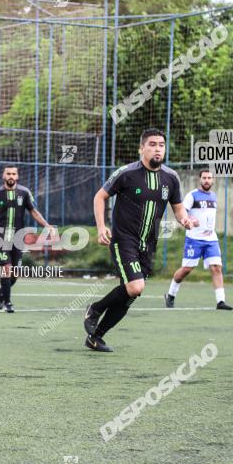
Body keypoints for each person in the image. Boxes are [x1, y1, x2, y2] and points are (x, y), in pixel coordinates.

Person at [84, 128, 194, 352]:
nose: (157, 148)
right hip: (124, 239)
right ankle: (94, 309)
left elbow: (179, 209)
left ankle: (96, 337)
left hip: (148, 244)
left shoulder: (171, 178)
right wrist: (101, 226)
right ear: (141, 148)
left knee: (131, 294)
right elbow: (100, 196)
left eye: (161, 145)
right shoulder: (126, 173)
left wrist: (186, 221)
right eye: (152, 144)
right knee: (135, 287)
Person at [0, 165, 54, 313]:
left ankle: (2, 294)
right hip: (0, 237)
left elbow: (33, 211)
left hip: (18, 238)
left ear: (17, 176)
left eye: (13, 174)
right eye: (8, 174)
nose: (11, 176)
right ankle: (8, 303)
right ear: (3, 176)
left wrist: (46, 224)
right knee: (6, 269)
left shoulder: (24, 193)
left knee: (14, 274)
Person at [165, 169, 232, 310]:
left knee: (216, 268)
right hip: (194, 239)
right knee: (187, 269)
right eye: (204, 178)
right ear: (199, 179)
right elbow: (182, 213)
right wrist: (189, 221)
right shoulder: (192, 195)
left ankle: (221, 302)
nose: (207, 180)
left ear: (213, 180)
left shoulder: (213, 196)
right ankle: (170, 294)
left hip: (211, 239)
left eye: (209, 178)